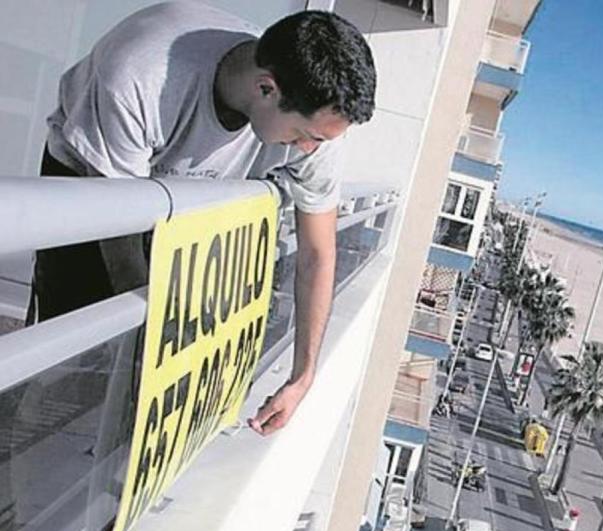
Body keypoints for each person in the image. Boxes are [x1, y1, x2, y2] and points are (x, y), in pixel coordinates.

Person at [34, 2, 377, 436]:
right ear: (267, 88)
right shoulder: (142, 75)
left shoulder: (316, 121)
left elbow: (316, 254)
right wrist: (161, 346)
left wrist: (303, 375)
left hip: (188, 193)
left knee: (171, 347)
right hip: (91, 175)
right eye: (305, 137)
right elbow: (119, 235)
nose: (309, 151)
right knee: (70, 349)